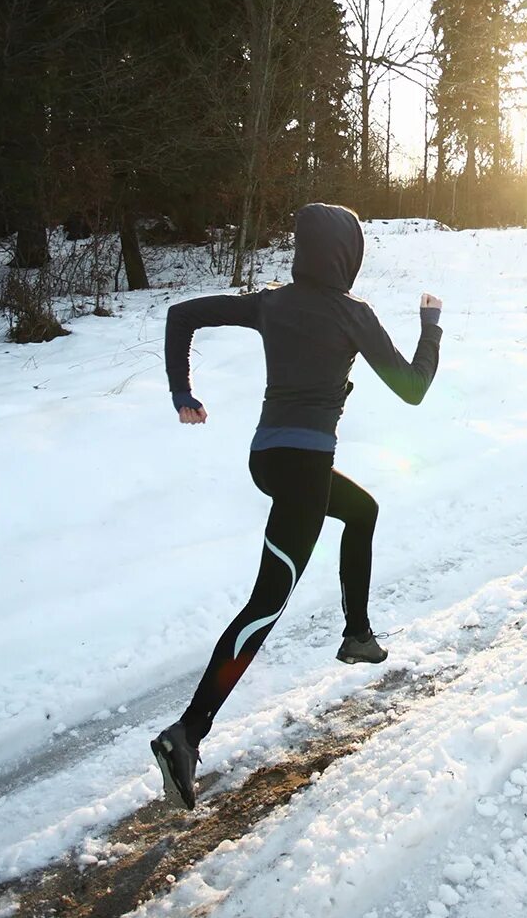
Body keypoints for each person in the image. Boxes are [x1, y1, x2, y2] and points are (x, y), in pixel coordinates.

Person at [150, 203, 442, 809]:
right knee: (264, 605)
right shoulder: (352, 313)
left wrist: (183, 393)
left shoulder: (272, 301)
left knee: (362, 512)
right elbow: (413, 389)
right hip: (304, 470)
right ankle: (187, 732)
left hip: (270, 458)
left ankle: (357, 634)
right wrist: (430, 326)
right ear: (346, 253)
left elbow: (182, 315)